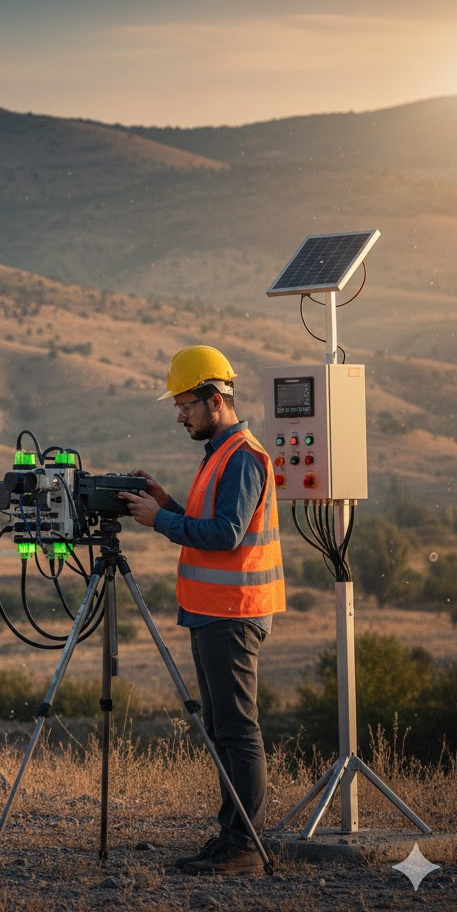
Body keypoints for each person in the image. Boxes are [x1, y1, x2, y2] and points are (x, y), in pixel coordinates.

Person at [119, 345, 285, 876]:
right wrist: (164, 502)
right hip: (212, 611)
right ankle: (230, 835)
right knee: (221, 729)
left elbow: (224, 534)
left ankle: (244, 847)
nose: (179, 414)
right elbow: (206, 520)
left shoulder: (241, 456)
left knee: (237, 731)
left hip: (233, 612)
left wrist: (158, 522)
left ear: (215, 400)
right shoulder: (221, 453)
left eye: (186, 404)